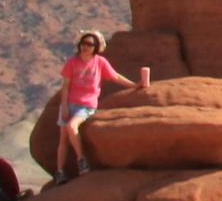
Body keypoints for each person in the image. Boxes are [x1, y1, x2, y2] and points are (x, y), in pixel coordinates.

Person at [51, 30, 150, 182]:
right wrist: (64, 106)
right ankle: (59, 172)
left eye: (90, 44)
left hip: (86, 105)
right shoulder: (72, 62)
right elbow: (66, 86)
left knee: (72, 126)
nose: (86, 47)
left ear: (96, 47)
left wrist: (134, 86)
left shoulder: (100, 62)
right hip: (70, 103)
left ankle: (81, 160)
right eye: (84, 43)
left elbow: (115, 76)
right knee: (63, 139)